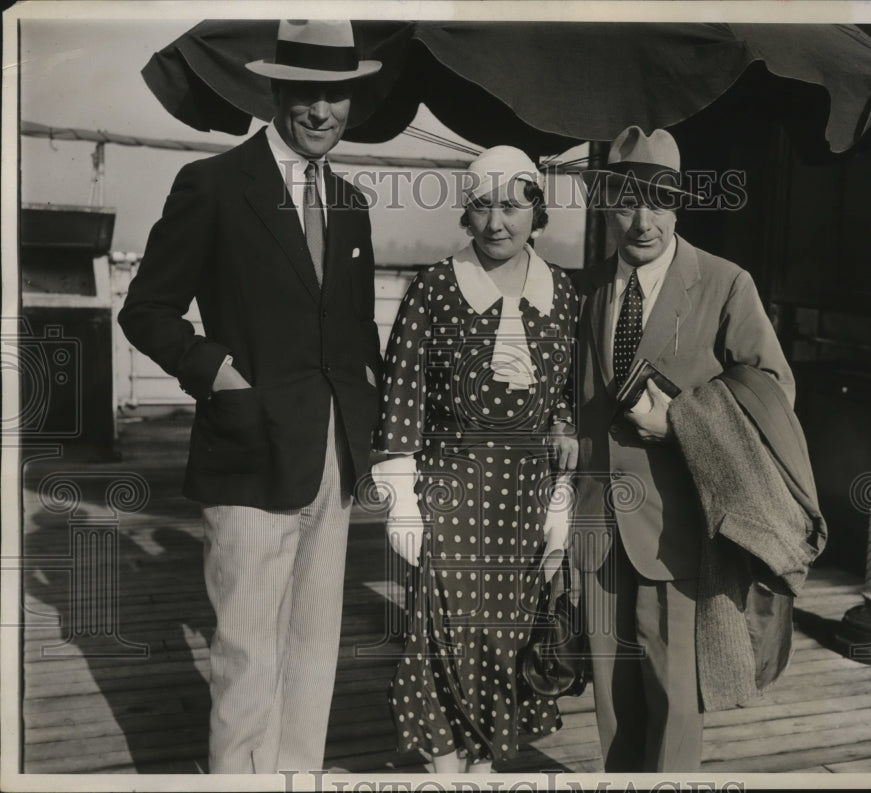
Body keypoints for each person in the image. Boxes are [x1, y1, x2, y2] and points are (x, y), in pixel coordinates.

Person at [118, 20, 383, 774]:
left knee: (312, 647)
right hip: (245, 450)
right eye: (308, 93)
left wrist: (367, 414)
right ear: (275, 90)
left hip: (331, 456)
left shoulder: (354, 202)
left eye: (337, 95)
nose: (323, 112)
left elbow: (354, 334)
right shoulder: (213, 183)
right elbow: (146, 310)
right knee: (244, 651)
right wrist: (218, 372)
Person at [570, 125, 795, 772]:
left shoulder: (725, 285)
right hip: (596, 525)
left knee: (674, 701)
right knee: (612, 701)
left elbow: (775, 391)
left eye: (660, 200)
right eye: (626, 201)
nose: (643, 220)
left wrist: (686, 423)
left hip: (678, 530)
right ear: (606, 204)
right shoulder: (585, 289)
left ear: (679, 202)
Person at [371, 146, 579, 773]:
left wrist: (562, 485)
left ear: (536, 212)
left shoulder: (563, 294)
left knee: (508, 638)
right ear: (465, 213)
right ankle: (443, 767)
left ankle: (484, 768)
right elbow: (400, 393)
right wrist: (401, 501)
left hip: (526, 497)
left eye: (513, 206)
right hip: (451, 488)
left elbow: (568, 396)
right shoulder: (434, 288)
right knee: (443, 631)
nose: (497, 222)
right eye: (483, 205)